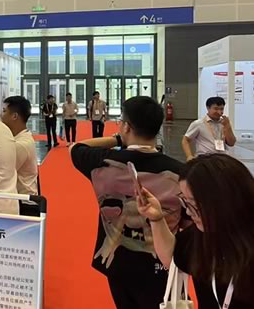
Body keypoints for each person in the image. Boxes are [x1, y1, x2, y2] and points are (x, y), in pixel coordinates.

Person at [70, 96, 186, 309]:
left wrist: (117, 139)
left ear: (126, 126)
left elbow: (76, 147)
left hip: (117, 264)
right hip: (163, 267)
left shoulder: (102, 163)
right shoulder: (181, 172)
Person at [137, 154, 254, 308]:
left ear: (222, 201)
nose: (188, 212)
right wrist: (156, 218)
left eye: (194, 204)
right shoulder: (201, 234)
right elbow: (173, 257)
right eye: (185, 202)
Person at [1, 96, 38, 197]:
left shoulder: (21, 144)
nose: (0, 116)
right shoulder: (18, 137)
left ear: (14, 116)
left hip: (24, 200)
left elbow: (2, 171)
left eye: (4, 111)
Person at [181, 96, 237, 161]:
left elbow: (231, 143)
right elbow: (185, 140)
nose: (219, 112)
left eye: (221, 109)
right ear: (208, 108)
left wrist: (227, 126)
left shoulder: (224, 123)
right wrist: (189, 156)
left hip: (222, 158)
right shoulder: (198, 123)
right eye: (216, 109)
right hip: (204, 159)